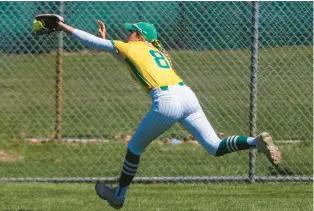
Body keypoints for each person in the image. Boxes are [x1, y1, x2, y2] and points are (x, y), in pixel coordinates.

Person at [56, 19, 282, 209]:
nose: (129, 34)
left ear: (140, 36)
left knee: (134, 147)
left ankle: (119, 195)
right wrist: (107, 40)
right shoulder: (156, 52)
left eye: (131, 32)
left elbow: (91, 42)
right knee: (214, 146)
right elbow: (129, 62)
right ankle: (256, 142)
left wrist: (63, 27)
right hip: (187, 95)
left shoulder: (135, 47)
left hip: (167, 101)